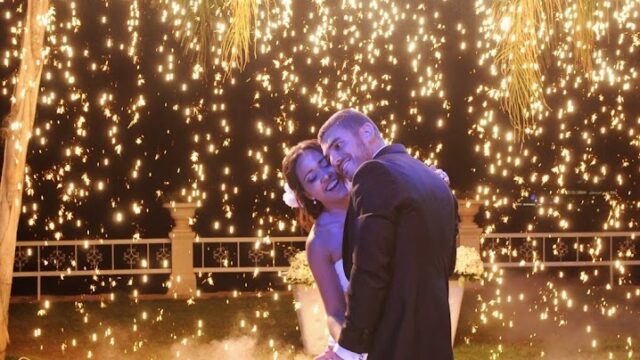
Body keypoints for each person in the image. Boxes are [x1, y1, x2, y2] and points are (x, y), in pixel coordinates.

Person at [318, 109, 458, 360]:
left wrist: (347, 351)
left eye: (338, 146)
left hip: (396, 343)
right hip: (435, 341)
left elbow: (370, 270)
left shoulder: (373, 173)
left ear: (367, 131)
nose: (335, 161)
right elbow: (448, 264)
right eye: (329, 157)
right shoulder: (434, 179)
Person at [281, 139, 352, 355]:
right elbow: (335, 313)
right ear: (308, 194)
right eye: (312, 178)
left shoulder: (377, 201)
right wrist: (352, 348)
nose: (325, 175)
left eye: (325, 163)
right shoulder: (319, 242)